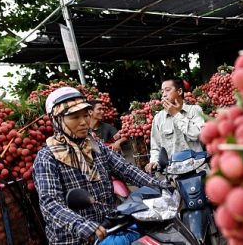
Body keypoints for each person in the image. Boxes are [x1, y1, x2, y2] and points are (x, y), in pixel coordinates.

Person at [33, 86, 168, 245]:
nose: (83, 122)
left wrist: (161, 186)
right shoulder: (47, 158)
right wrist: (82, 225)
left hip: (111, 228)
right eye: (75, 117)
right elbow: (51, 204)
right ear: (57, 120)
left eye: (85, 115)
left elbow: (125, 169)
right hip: (77, 239)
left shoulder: (95, 146)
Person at [144, 76, 205, 173]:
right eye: (162, 91)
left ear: (180, 91)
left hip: (198, 170)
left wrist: (176, 114)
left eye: (167, 90)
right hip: (174, 174)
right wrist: (154, 161)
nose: (164, 95)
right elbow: (156, 147)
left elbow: (197, 134)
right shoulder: (158, 118)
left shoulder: (195, 110)